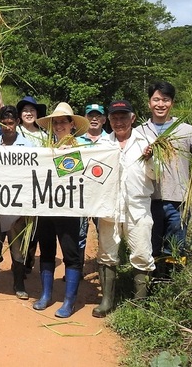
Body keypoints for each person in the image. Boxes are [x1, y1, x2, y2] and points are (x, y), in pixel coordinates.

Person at [137, 81, 192, 276]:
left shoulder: (187, 130)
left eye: (165, 100)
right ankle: (154, 286)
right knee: (151, 245)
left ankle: (171, 285)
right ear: (149, 103)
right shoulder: (140, 132)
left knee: (175, 247)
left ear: (172, 103)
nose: (160, 104)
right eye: (156, 99)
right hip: (149, 199)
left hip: (179, 200)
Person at [92, 100, 155, 317]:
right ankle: (107, 300)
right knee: (107, 254)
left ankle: (140, 305)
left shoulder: (146, 142)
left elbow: (158, 175)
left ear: (133, 118)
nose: (119, 122)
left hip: (138, 207)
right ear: (108, 120)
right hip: (109, 207)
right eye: (115, 117)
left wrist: (150, 159)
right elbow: (91, 175)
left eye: (123, 117)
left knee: (141, 253)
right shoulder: (101, 144)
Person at [32, 102, 89, 318]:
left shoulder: (80, 147)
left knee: (71, 253)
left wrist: (68, 155)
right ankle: (46, 295)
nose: (58, 126)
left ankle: (68, 301)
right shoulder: (45, 149)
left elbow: (79, 175)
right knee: (46, 251)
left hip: (69, 209)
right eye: (55, 123)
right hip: (46, 206)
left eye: (63, 122)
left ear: (72, 124)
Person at [0, 105, 33, 298]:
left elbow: (33, 179)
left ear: (17, 123)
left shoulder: (28, 148)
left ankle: (19, 286)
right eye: (4, 123)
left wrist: (27, 209)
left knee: (17, 250)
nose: (7, 127)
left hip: (17, 208)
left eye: (11, 123)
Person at [75, 103, 109, 273]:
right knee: (79, 234)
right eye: (90, 116)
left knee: (103, 232)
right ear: (85, 119)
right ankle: (77, 269)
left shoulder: (111, 141)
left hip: (103, 195)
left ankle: (103, 270)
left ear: (104, 119)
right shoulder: (75, 140)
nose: (94, 119)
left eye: (98, 116)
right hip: (81, 194)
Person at [15, 96, 47, 271]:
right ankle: (18, 260)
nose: (29, 113)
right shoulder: (14, 132)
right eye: (25, 110)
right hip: (18, 186)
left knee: (34, 226)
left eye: (32, 110)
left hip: (38, 187)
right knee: (17, 224)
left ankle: (28, 259)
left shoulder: (44, 135)